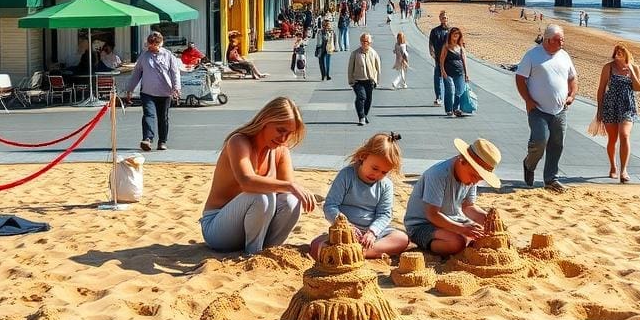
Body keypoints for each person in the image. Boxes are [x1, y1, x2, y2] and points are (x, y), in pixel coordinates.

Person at [200, 97, 316, 255]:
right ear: (265, 121)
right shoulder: (238, 141)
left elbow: (286, 194)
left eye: (289, 134)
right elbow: (246, 182)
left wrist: (293, 189)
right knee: (262, 195)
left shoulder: (281, 150)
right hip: (218, 228)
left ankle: (268, 252)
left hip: (255, 228)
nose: (284, 139)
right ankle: (253, 254)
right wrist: (290, 185)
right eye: (280, 130)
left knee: (291, 200)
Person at [309, 131, 409, 260]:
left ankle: (360, 253)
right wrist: (345, 225)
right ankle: (351, 252)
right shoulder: (346, 175)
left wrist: (372, 232)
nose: (377, 174)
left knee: (402, 239)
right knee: (316, 245)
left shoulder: (386, 184)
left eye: (384, 172)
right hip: (345, 232)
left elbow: (384, 214)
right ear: (363, 156)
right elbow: (330, 205)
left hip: (371, 235)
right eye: (375, 168)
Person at [403, 137, 500, 255]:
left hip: (453, 221)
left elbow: (468, 207)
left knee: (485, 234)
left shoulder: (470, 178)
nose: (475, 182)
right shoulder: (438, 174)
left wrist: (488, 220)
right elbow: (432, 214)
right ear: (462, 161)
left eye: (480, 179)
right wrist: (462, 229)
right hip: (423, 225)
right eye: (474, 176)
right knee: (458, 243)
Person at [515, 24, 578, 194]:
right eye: (558, 40)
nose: (562, 43)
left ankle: (551, 179)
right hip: (538, 109)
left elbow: (573, 78)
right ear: (548, 40)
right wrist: (528, 100)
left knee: (557, 144)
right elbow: (520, 78)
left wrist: (572, 95)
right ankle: (529, 164)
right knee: (540, 141)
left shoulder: (564, 56)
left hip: (560, 110)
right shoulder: (532, 55)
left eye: (563, 40)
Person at [595, 43, 640, 183]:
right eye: (616, 52)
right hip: (610, 105)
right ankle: (613, 166)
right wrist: (599, 110)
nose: (618, 55)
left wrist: (631, 71)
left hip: (627, 106)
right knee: (612, 139)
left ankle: (624, 170)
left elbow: (638, 88)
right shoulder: (608, 67)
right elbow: (601, 89)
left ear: (627, 53)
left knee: (624, 135)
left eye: (621, 52)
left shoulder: (634, 68)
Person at [126, 31, 182, 152]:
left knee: (163, 117)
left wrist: (176, 88)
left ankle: (162, 141)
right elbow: (136, 73)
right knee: (148, 114)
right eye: (149, 45)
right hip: (147, 92)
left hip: (164, 92)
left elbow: (175, 72)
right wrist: (130, 89)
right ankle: (147, 139)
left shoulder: (168, 56)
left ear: (160, 44)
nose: (150, 47)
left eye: (153, 45)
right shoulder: (144, 56)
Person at [348, 32, 381, 126]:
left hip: (370, 81)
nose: (364, 43)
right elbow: (350, 68)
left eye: (366, 41)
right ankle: (361, 117)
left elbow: (378, 68)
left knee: (368, 100)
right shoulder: (355, 53)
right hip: (358, 81)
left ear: (370, 42)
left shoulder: (373, 53)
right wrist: (351, 81)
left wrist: (376, 81)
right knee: (361, 97)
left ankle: (364, 114)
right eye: (362, 41)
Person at [439, 27, 469, 117]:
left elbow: (464, 60)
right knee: (450, 90)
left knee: (459, 91)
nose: (456, 35)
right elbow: (441, 60)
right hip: (448, 72)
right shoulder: (446, 46)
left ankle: (455, 108)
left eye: (457, 34)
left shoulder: (460, 47)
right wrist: (443, 71)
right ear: (450, 35)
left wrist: (466, 74)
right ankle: (449, 109)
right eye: (454, 34)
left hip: (459, 72)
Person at [428, 10, 451, 107]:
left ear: (447, 19)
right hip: (438, 58)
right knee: (437, 78)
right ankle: (438, 97)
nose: (444, 19)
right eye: (442, 17)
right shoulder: (435, 31)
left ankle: (449, 98)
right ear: (440, 19)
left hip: (449, 60)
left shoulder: (451, 31)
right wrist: (432, 54)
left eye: (445, 17)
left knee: (448, 79)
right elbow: (431, 44)